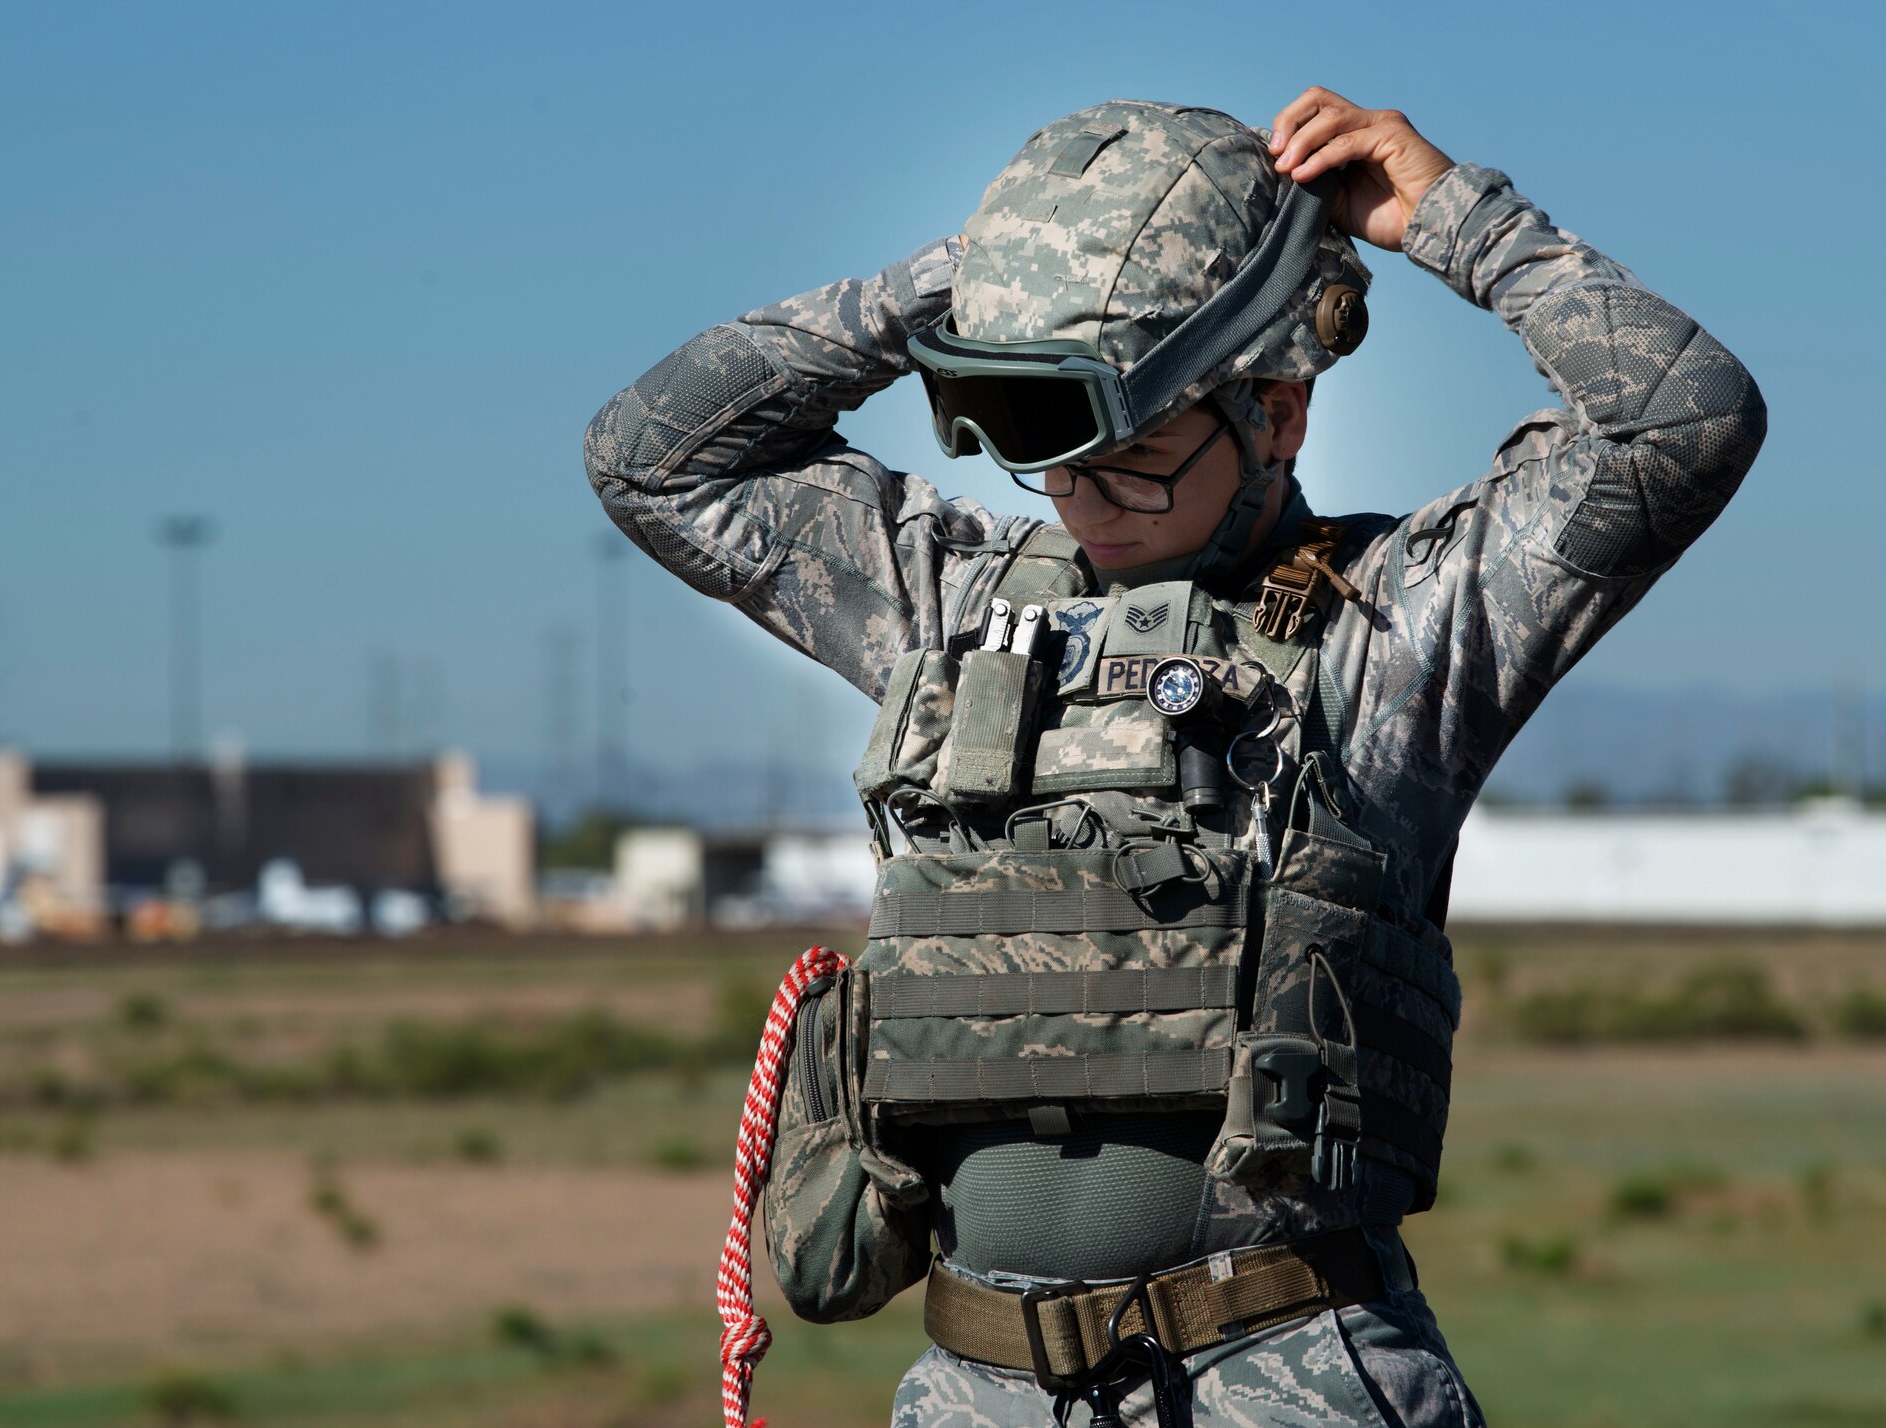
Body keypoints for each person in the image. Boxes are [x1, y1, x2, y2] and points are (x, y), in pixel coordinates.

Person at [585, 90, 1764, 1428]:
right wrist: (980, 281)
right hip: (980, 1388)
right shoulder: (954, 607)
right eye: (1051, 452)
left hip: (1286, 1378)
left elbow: (1682, 422)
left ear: (1280, 413)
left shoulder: (1400, 626)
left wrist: (1457, 220)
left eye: (1138, 452)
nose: (1090, 499)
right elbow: (655, 464)